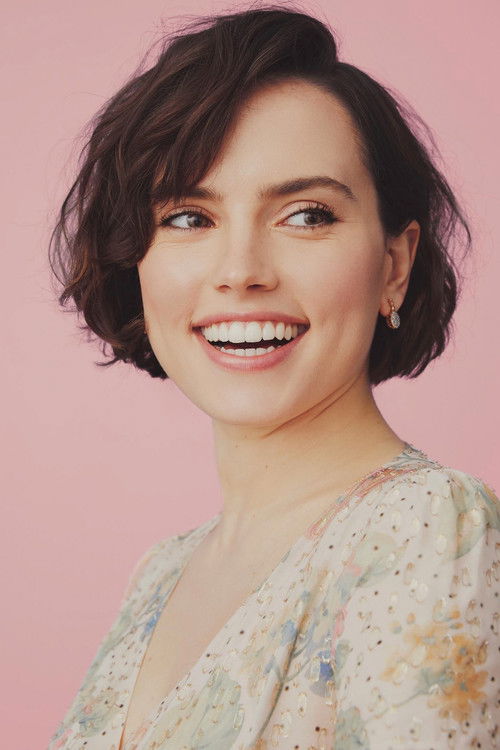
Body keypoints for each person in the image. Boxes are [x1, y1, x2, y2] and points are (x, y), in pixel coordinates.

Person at [46, 5, 499, 749]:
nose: (241, 272)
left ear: (395, 265)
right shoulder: (161, 572)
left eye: (306, 214)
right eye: (189, 218)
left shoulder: (425, 527)